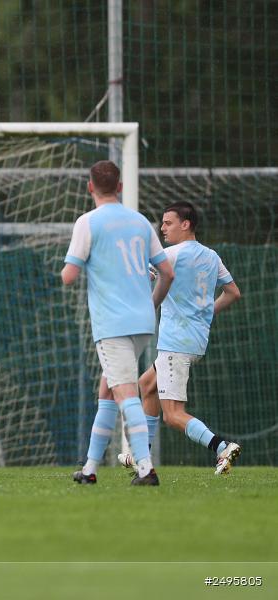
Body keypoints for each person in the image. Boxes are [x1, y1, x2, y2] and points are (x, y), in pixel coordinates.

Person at [62, 160, 174, 486]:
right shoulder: (140, 221)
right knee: (107, 391)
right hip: (141, 321)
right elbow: (166, 272)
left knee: (126, 394)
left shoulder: (88, 221)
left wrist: (77, 267)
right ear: (121, 187)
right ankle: (90, 468)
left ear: (89, 187)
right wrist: (151, 302)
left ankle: (145, 468)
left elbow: (69, 276)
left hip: (113, 324)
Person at [117, 201, 242, 475]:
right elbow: (233, 292)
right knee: (146, 384)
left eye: (168, 223)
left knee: (173, 415)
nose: (162, 228)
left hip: (177, 343)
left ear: (186, 224)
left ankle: (221, 446)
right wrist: (206, 313)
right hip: (194, 340)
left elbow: (146, 272)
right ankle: (142, 457)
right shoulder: (211, 256)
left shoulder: (171, 255)